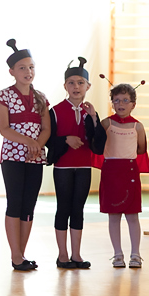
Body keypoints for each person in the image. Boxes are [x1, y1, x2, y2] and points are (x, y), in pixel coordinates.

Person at [0, 40, 50, 271]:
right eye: (22, 68)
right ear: (12, 72)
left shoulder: (41, 98)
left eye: (31, 67)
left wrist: (37, 146)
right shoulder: (4, 96)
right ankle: (15, 256)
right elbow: (4, 129)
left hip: (35, 158)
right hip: (12, 157)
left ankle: (22, 254)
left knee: (29, 204)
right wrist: (29, 142)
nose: (28, 71)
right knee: (15, 202)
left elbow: (46, 128)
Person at [88, 81, 149, 269]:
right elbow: (97, 143)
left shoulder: (138, 127)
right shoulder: (106, 124)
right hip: (110, 173)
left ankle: (135, 254)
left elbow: (141, 149)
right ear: (112, 103)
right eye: (116, 100)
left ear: (133, 104)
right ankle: (117, 254)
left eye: (125, 100)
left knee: (132, 216)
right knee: (113, 215)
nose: (120, 104)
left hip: (130, 173)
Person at [46, 58, 99, 269]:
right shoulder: (55, 111)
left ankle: (76, 254)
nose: (76, 87)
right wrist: (65, 140)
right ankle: (63, 255)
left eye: (80, 83)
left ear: (88, 86)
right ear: (65, 86)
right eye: (71, 83)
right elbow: (48, 139)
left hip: (84, 166)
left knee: (78, 209)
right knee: (63, 208)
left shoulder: (90, 112)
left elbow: (98, 141)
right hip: (63, 167)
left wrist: (94, 119)